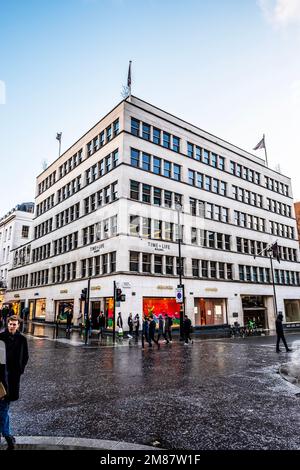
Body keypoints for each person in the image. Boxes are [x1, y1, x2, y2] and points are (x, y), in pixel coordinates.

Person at [0, 315, 29, 450]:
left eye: (14, 324)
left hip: (13, 378)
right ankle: (7, 435)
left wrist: (20, 370)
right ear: (7, 324)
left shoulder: (22, 339)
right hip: (1, 377)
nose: (12, 326)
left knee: (5, 406)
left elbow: (25, 357)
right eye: (10, 324)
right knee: (4, 407)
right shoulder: (1, 338)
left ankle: (7, 434)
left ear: (18, 325)